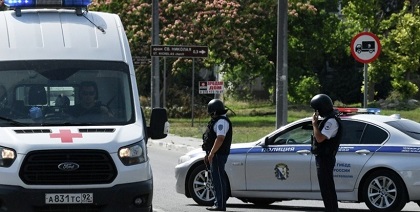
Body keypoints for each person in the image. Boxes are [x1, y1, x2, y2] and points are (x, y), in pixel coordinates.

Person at [310, 94, 342, 212]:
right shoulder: (329, 119)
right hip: (323, 158)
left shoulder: (332, 121)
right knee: (325, 188)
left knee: (327, 188)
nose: (316, 112)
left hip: (326, 158)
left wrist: (314, 124)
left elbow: (319, 138)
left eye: (317, 109)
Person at [202, 99, 232, 211]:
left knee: (218, 180)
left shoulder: (222, 122)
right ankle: (218, 203)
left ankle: (220, 205)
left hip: (218, 155)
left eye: (211, 112)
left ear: (215, 111)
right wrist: (209, 153)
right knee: (216, 179)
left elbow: (220, 139)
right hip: (215, 154)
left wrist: (212, 153)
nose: (210, 115)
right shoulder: (219, 121)